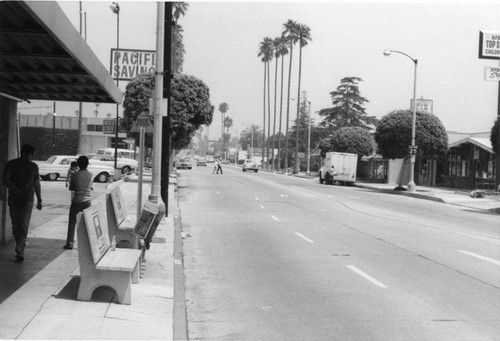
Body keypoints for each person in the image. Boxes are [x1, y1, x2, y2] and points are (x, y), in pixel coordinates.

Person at [2, 143, 42, 262]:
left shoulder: (34, 167)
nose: (32, 157)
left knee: (24, 224)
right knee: (16, 225)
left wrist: (39, 199)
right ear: (24, 154)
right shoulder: (11, 165)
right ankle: (20, 245)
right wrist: (15, 189)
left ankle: (20, 249)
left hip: (28, 200)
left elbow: (36, 183)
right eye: (31, 155)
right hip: (14, 199)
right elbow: (5, 180)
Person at [64, 155, 93, 250]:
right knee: (88, 222)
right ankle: (89, 244)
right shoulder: (91, 175)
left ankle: (70, 243)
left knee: (72, 222)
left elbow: (71, 188)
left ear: (78, 164)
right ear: (87, 164)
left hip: (76, 201)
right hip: (87, 201)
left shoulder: (75, 175)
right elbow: (91, 187)